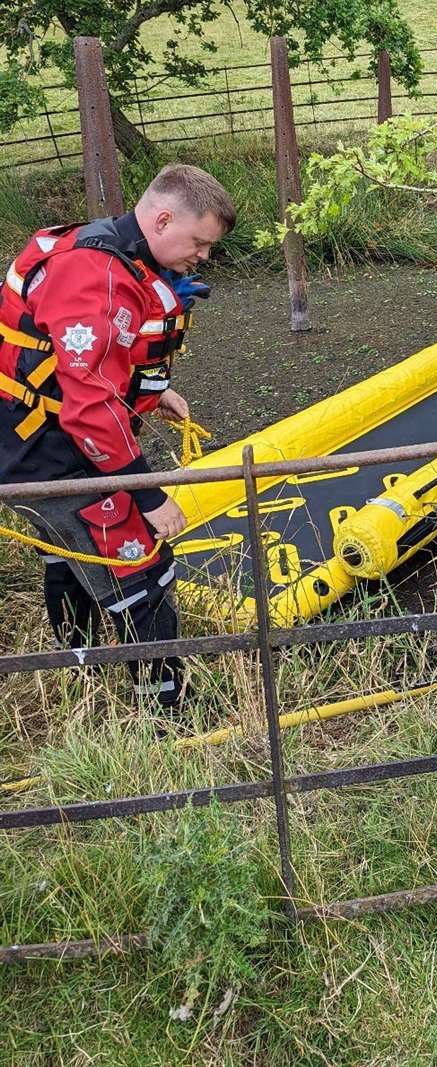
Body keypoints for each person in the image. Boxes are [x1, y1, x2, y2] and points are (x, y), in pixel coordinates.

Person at [0, 163, 235, 710]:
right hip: (53, 455)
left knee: (66, 558)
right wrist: (148, 495)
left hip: (26, 439)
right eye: (199, 243)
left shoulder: (112, 250)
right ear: (162, 218)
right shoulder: (95, 274)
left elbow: (88, 362)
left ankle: (78, 670)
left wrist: (153, 396)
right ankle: (168, 715)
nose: (203, 257)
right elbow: (89, 412)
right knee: (144, 573)